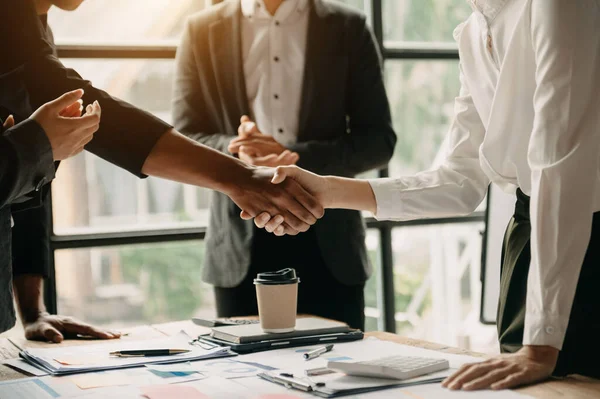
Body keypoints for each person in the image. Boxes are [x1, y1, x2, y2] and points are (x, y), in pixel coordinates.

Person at [259, 0, 600, 391]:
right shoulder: (473, 31)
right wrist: (326, 191)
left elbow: (561, 170)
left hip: (583, 241)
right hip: (529, 242)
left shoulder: (558, 6)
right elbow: (459, 181)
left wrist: (541, 345)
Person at [0, 0, 324, 341]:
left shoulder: (34, 25)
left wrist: (34, 311)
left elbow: (28, 175)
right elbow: (97, 119)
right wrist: (240, 177)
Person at [173, 0, 396, 329]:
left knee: (338, 373)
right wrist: (237, 152)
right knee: (244, 379)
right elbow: (184, 139)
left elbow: (378, 141)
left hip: (330, 242)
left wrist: (291, 156)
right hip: (239, 241)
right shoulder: (200, 30)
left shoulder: (348, 27)